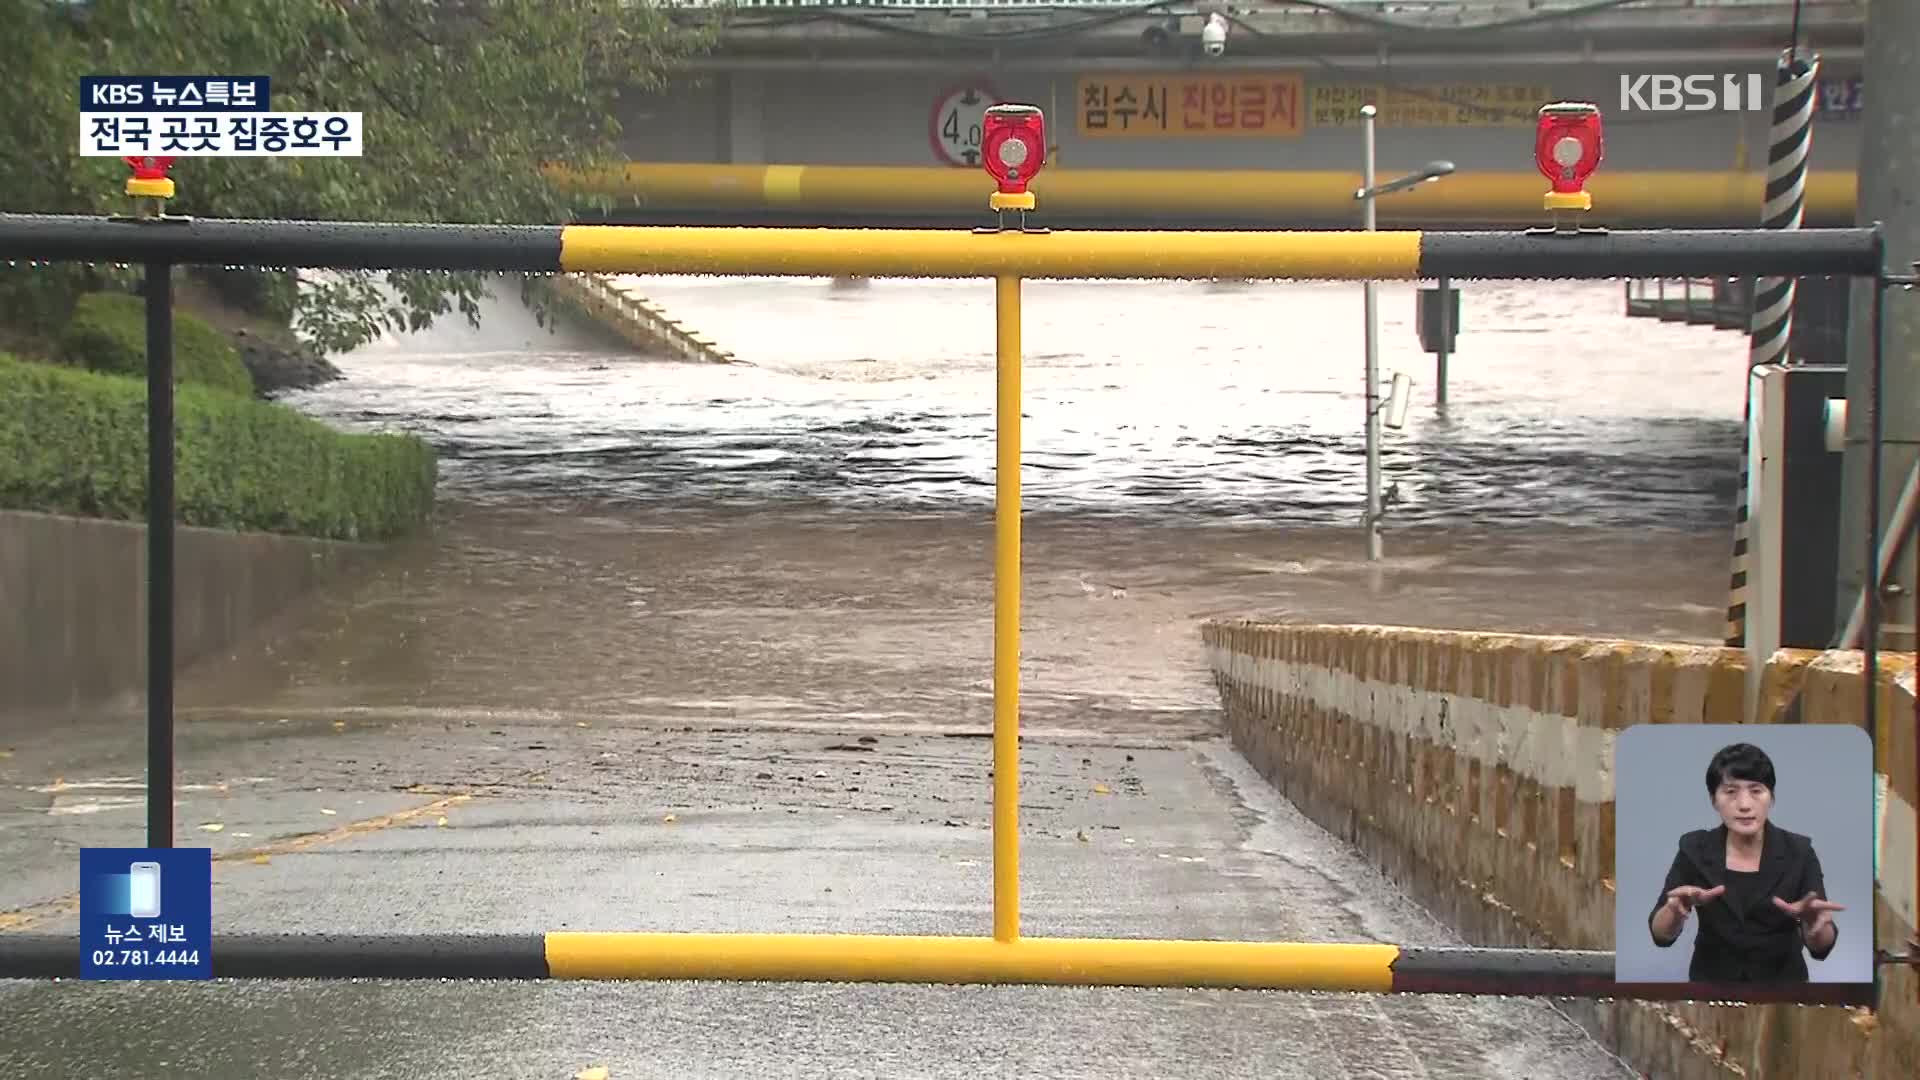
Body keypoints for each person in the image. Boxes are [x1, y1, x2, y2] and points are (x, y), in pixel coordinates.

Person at [1646, 742, 1843, 982]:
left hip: (1783, 991)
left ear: (1771, 798)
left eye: (1756, 790)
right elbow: (1660, 935)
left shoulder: (1799, 852)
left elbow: (1821, 947)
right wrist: (1675, 911)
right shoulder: (1694, 849)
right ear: (1714, 800)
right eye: (1730, 792)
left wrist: (1814, 924)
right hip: (1710, 988)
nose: (1745, 805)